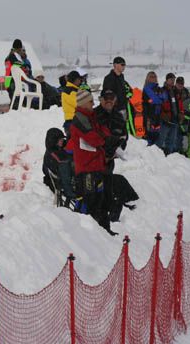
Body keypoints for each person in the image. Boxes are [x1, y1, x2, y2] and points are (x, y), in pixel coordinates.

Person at [66, 90, 118, 236]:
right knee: (88, 200)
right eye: (90, 101)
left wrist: (110, 139)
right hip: (86, 168)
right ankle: (86, 234)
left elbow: (102, 131)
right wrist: (106, 142)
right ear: (83, 103)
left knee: (100, 199)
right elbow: (93, 137)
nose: (93, 103)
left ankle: (103, 230)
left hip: (96, 164)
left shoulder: (91, 117)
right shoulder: (80, 119)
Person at [94, 89, 137, 223]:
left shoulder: (118, 116)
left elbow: (124, 137)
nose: (109, 101)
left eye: (111, 98)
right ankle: (97, 216)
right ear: (101, 99)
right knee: (97, 187)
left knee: (108, 184)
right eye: (106, 98)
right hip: (96, 158)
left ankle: (109, 216)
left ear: (115, 100)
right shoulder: (94, 115)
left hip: (110, 158)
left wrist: (116, 152)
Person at [42, 128, 76, 204]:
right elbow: (66, 160)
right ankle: (70, 194)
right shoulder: (53, 154)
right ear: (54, 141)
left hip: (60, 178)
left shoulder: (53, 148)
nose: (62, 141)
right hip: (60, 183)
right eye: (60, 139)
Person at [102, 56, 133, 132]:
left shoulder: (121, 77)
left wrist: (129, 93)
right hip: (114, 110)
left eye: (124, 65)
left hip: (123, 107)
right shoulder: (109, 78)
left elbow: (128, 89)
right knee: (116, 130)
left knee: (123, 130)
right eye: (122, 64)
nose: (124, 66)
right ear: (115, 65)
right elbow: (107, 94)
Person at [156, 73, 179, 155]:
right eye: (171, 79)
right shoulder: (162, 90)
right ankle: (155, 156)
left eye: (174, 80)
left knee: (172, 140)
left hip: (174, 119)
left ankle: (169, 156)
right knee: (161, 139)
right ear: (167, 80)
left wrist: (181, 113)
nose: (173, 81)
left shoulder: (175, 91)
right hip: (165, 119)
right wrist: (162, 114)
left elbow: (179, 103)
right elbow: (158, 104)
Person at [142, 72, 166, 146]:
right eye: (151, 76)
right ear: (148, 78)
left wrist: (155, 100)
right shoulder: (146, 88)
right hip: (149, 115)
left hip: (158, 115)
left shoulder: (159, 88)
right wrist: (157, 99)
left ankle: (155, 154)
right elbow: (157, 100)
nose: (154, 78)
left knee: (156, 135)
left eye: (155, 76)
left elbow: (164, 98)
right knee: (149, 134)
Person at [61, 70, 83, 137]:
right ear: (75, 80)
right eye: (79, 79)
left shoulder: (73, 90)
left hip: (74, 120)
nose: (80, 81)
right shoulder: (70, 91)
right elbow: (79, 104)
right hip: (73, 121)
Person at [173, 77, 189, 153]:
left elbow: (189, 103)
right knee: (175, 135)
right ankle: (176, 151)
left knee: (183, 136)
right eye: (179, 83)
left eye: (182, 83)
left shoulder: (185, 91)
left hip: (184, 116)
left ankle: (181, 151)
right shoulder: (173, 91)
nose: (180, 85)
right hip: (174, 116)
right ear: (176, 83)